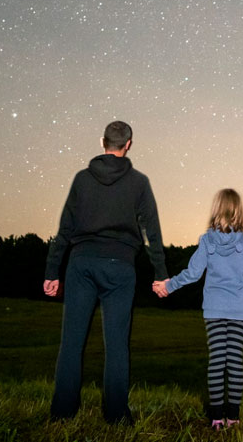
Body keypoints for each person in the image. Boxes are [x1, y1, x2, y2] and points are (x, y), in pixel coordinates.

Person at [42, 120, 169, 424]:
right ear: (129, 144)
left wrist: (52, 270)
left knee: (72, 341)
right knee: (117, 344)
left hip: (81, 264)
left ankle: (62, 414)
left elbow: (65, 228)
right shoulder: (139, 182)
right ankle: (116, 416)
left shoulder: (82, 180)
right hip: (120, 267)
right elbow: (150, 231)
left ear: (103, 142)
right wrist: (160, 272)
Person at [153, 189, 243, 430]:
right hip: (239, 312)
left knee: (216, 361)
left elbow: (192, 273)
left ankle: (216, 418)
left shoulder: (207, 240)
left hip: (213, 310)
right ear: (238, 212)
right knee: (234, 362)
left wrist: (169, 286)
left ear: (215, 210)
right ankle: (233, 416)